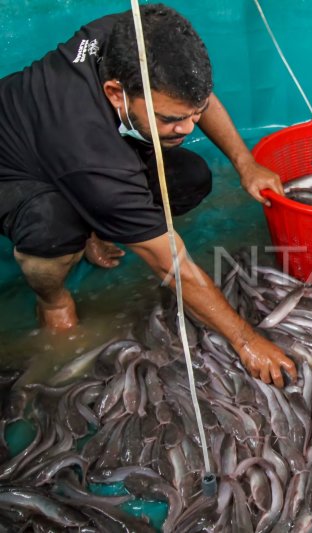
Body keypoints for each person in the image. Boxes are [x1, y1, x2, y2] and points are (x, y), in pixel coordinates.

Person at [0, 4, 296, 386]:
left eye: (196, 113)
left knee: (191, 176)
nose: (188, 128)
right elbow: (172, 266)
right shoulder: (95, 156)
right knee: (53, 229)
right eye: (170, 120)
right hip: (15, 169)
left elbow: (191, 96)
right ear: (115, 93)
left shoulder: (134, 34)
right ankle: (52, 300)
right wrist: (246, 340)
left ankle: (104, 222)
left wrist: (245, 162)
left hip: (77, 152)